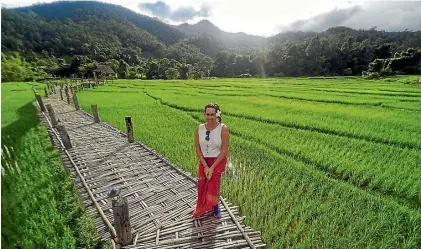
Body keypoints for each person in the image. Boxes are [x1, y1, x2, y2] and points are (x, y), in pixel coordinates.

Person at [193, 103, 229, 218]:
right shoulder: (199, 129)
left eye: (212, 114)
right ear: (204, 115)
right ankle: (203, 205)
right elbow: (198, 148)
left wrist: (212, 167)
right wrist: (205, 166)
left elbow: (223, 151)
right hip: (204, 161)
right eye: (207, 114)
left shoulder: (223, 129)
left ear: (217, 114)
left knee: (214, 185)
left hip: (217, 161)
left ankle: (215, 205)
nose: (210, 117)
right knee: (202, 184)